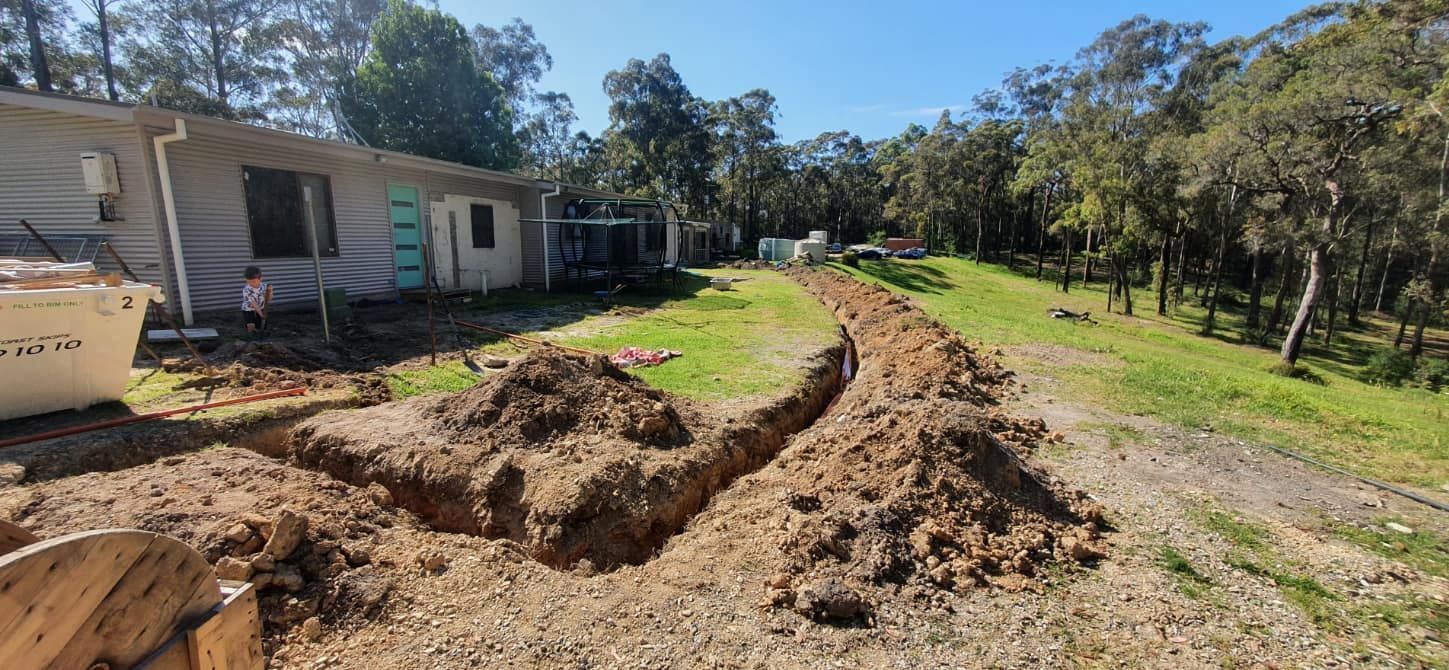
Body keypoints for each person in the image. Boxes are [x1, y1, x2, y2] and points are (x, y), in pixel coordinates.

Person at [241, 266, 273, 337]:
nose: (251, 284)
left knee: (261, 322)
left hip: (261, 307)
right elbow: (254, 303)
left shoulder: (264, 286)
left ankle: (262, 333)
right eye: (248, 282)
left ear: (260, 279)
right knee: (250, 323)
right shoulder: (246, 289)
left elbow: (269, 299)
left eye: (253, 281)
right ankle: (251, 335)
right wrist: (261, 314)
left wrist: (270, 291)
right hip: (248, 308)